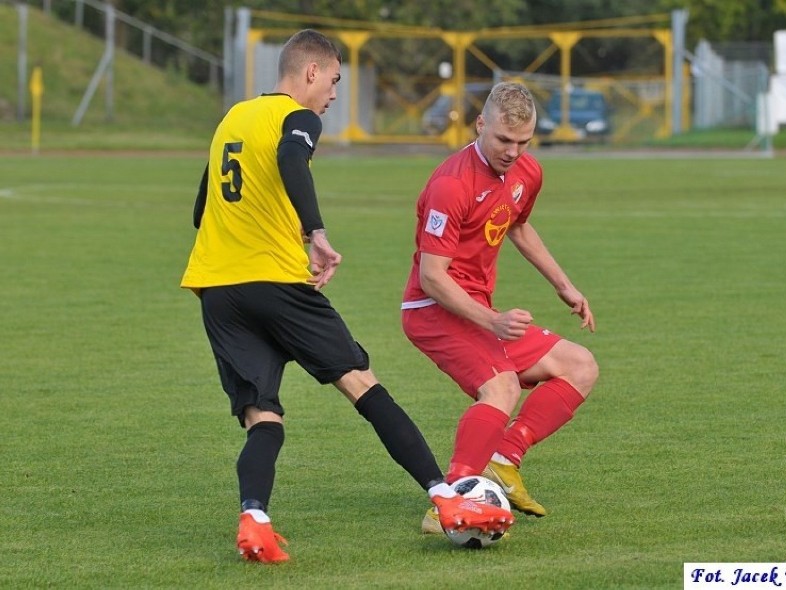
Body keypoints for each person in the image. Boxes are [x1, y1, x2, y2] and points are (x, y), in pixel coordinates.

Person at [180, 29, 513, 564]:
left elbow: (203, 210)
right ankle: (448, 500)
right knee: (362, 384)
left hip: (217, 289)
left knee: (262, 416)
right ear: (310, 72)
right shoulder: (298, 118)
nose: (334, 95)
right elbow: (292, 160)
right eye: (334, 81)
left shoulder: (231, 119)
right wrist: (314, 233)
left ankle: (255, 518)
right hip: (278, 283)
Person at [400, 81, 599, 534]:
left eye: (523, 141)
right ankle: (447, 503)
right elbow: (433, 276)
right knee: (503, 387)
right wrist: (493, 320)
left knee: (580, 366)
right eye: (503, 140)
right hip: (431, 309)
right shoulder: (451, 184)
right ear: (480, 124)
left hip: (479, 310)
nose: (513, 151)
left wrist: (564, 286)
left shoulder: (527, 172)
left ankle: (503, 461)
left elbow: (520, 227)